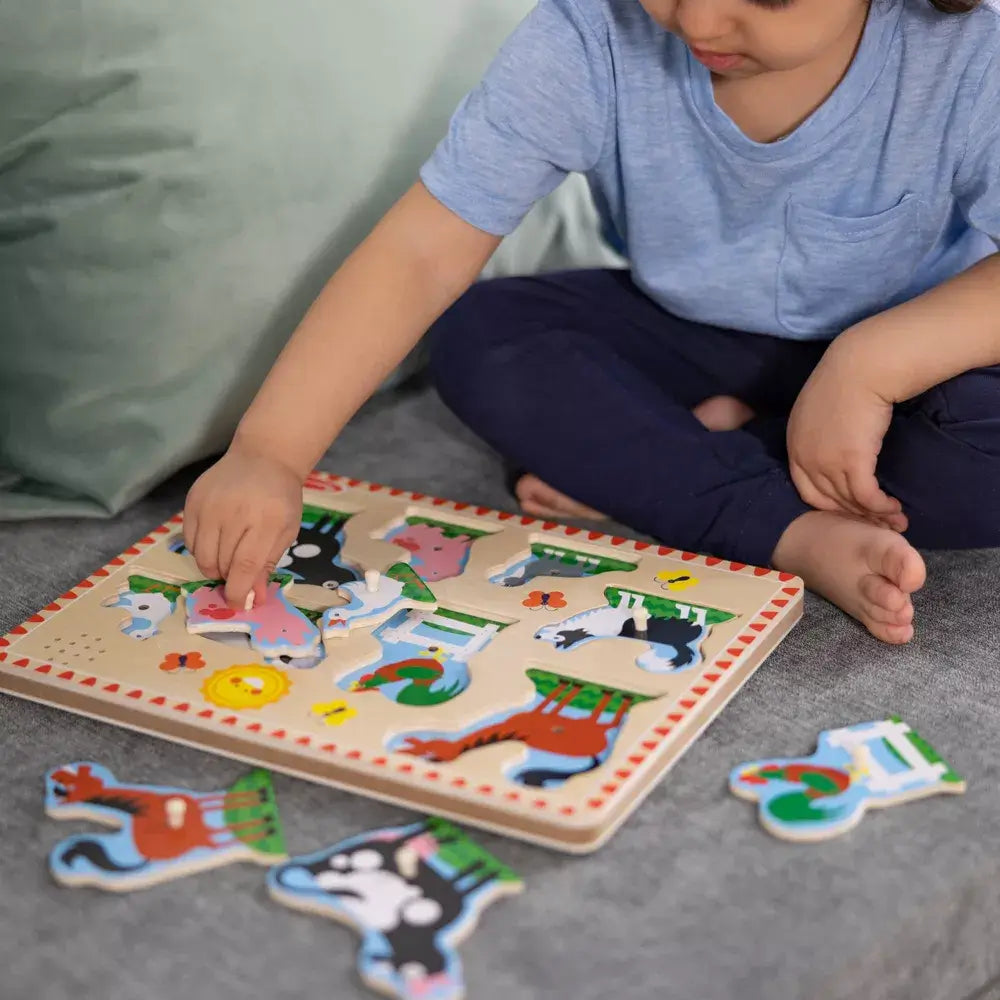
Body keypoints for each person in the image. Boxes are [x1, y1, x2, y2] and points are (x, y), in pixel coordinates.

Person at [183, 0, 1000, 644]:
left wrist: (868, 362)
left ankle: (683, 457)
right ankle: (779, 519)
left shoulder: (965, 62)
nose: (701, 21)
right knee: (483, 336)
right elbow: (424, 253)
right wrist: (269, 452)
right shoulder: (586, 34)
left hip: (916, 364)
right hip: (688, 333)